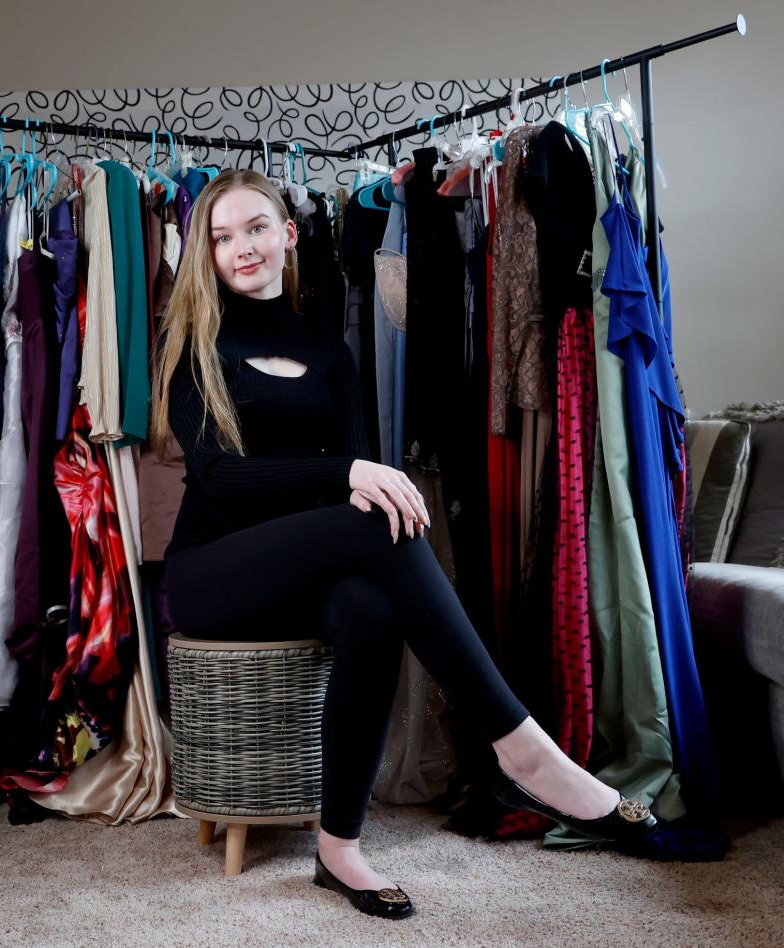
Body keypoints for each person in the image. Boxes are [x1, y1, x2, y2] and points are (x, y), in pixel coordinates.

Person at [149, 168, 655, 920]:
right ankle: (521, 750)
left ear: (289, 236)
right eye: (221, 238)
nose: (241, 248)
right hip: (213, 574)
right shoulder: (195, 345)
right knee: (367, 518)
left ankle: (339, 849)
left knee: (370, 605)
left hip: (307, 572)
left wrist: (355, 476)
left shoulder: (331, 352)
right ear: (208, 256)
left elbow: (362, 487)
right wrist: (348, 472)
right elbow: (221, 479)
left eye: (256, 228)